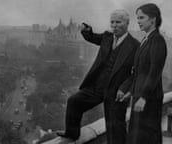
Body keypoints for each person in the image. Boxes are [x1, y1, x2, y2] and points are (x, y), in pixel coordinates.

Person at [56, 9, 139, 144]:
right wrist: (86, 31)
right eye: (112, 22)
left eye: (118, 22)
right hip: (97, 86)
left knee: (115, 127)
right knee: (74, 101)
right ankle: (72, 133)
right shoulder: (107, 37)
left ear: (127, 23)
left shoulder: (135, 45)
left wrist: (124, 89)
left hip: (116, 92)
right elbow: (92, 37)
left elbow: (138, 73)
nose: (114, 25)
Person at [118, 3, 167, 144]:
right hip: (140, 95)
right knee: (137, 135)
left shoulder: (157, 40)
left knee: (148, 136)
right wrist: (131, 92)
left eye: (142, 18)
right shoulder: (145, 40)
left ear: (153, 19)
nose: (138, 21)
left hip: (149, 98)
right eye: (137, 18)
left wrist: (144, 98)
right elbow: (139, 72)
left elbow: (154, 73)